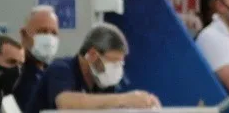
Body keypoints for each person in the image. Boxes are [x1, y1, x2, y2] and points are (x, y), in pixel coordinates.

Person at [25, 23, 161, 112]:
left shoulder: (100, 80)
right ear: (91, 55)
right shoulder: (61, 69)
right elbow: (65, 103)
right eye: (113, 62)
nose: (116, 69)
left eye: (120, 63)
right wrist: (124, 99)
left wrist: (142, 102)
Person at [13, 6, 59, 110]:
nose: (49, 38)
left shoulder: (53, 72)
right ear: (24, 35)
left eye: (54, 33)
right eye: (42, 31)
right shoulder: (15, 73)